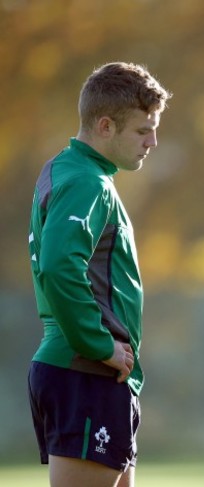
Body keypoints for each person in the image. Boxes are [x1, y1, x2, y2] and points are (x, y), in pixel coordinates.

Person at [27, 62, 171, 487]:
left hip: (92, 374)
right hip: (83, 369)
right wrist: (99, 344)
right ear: (105, 125)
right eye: (143, 130)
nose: (153, 141)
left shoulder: (69, 170)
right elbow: (58, 267)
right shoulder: (88, 181)